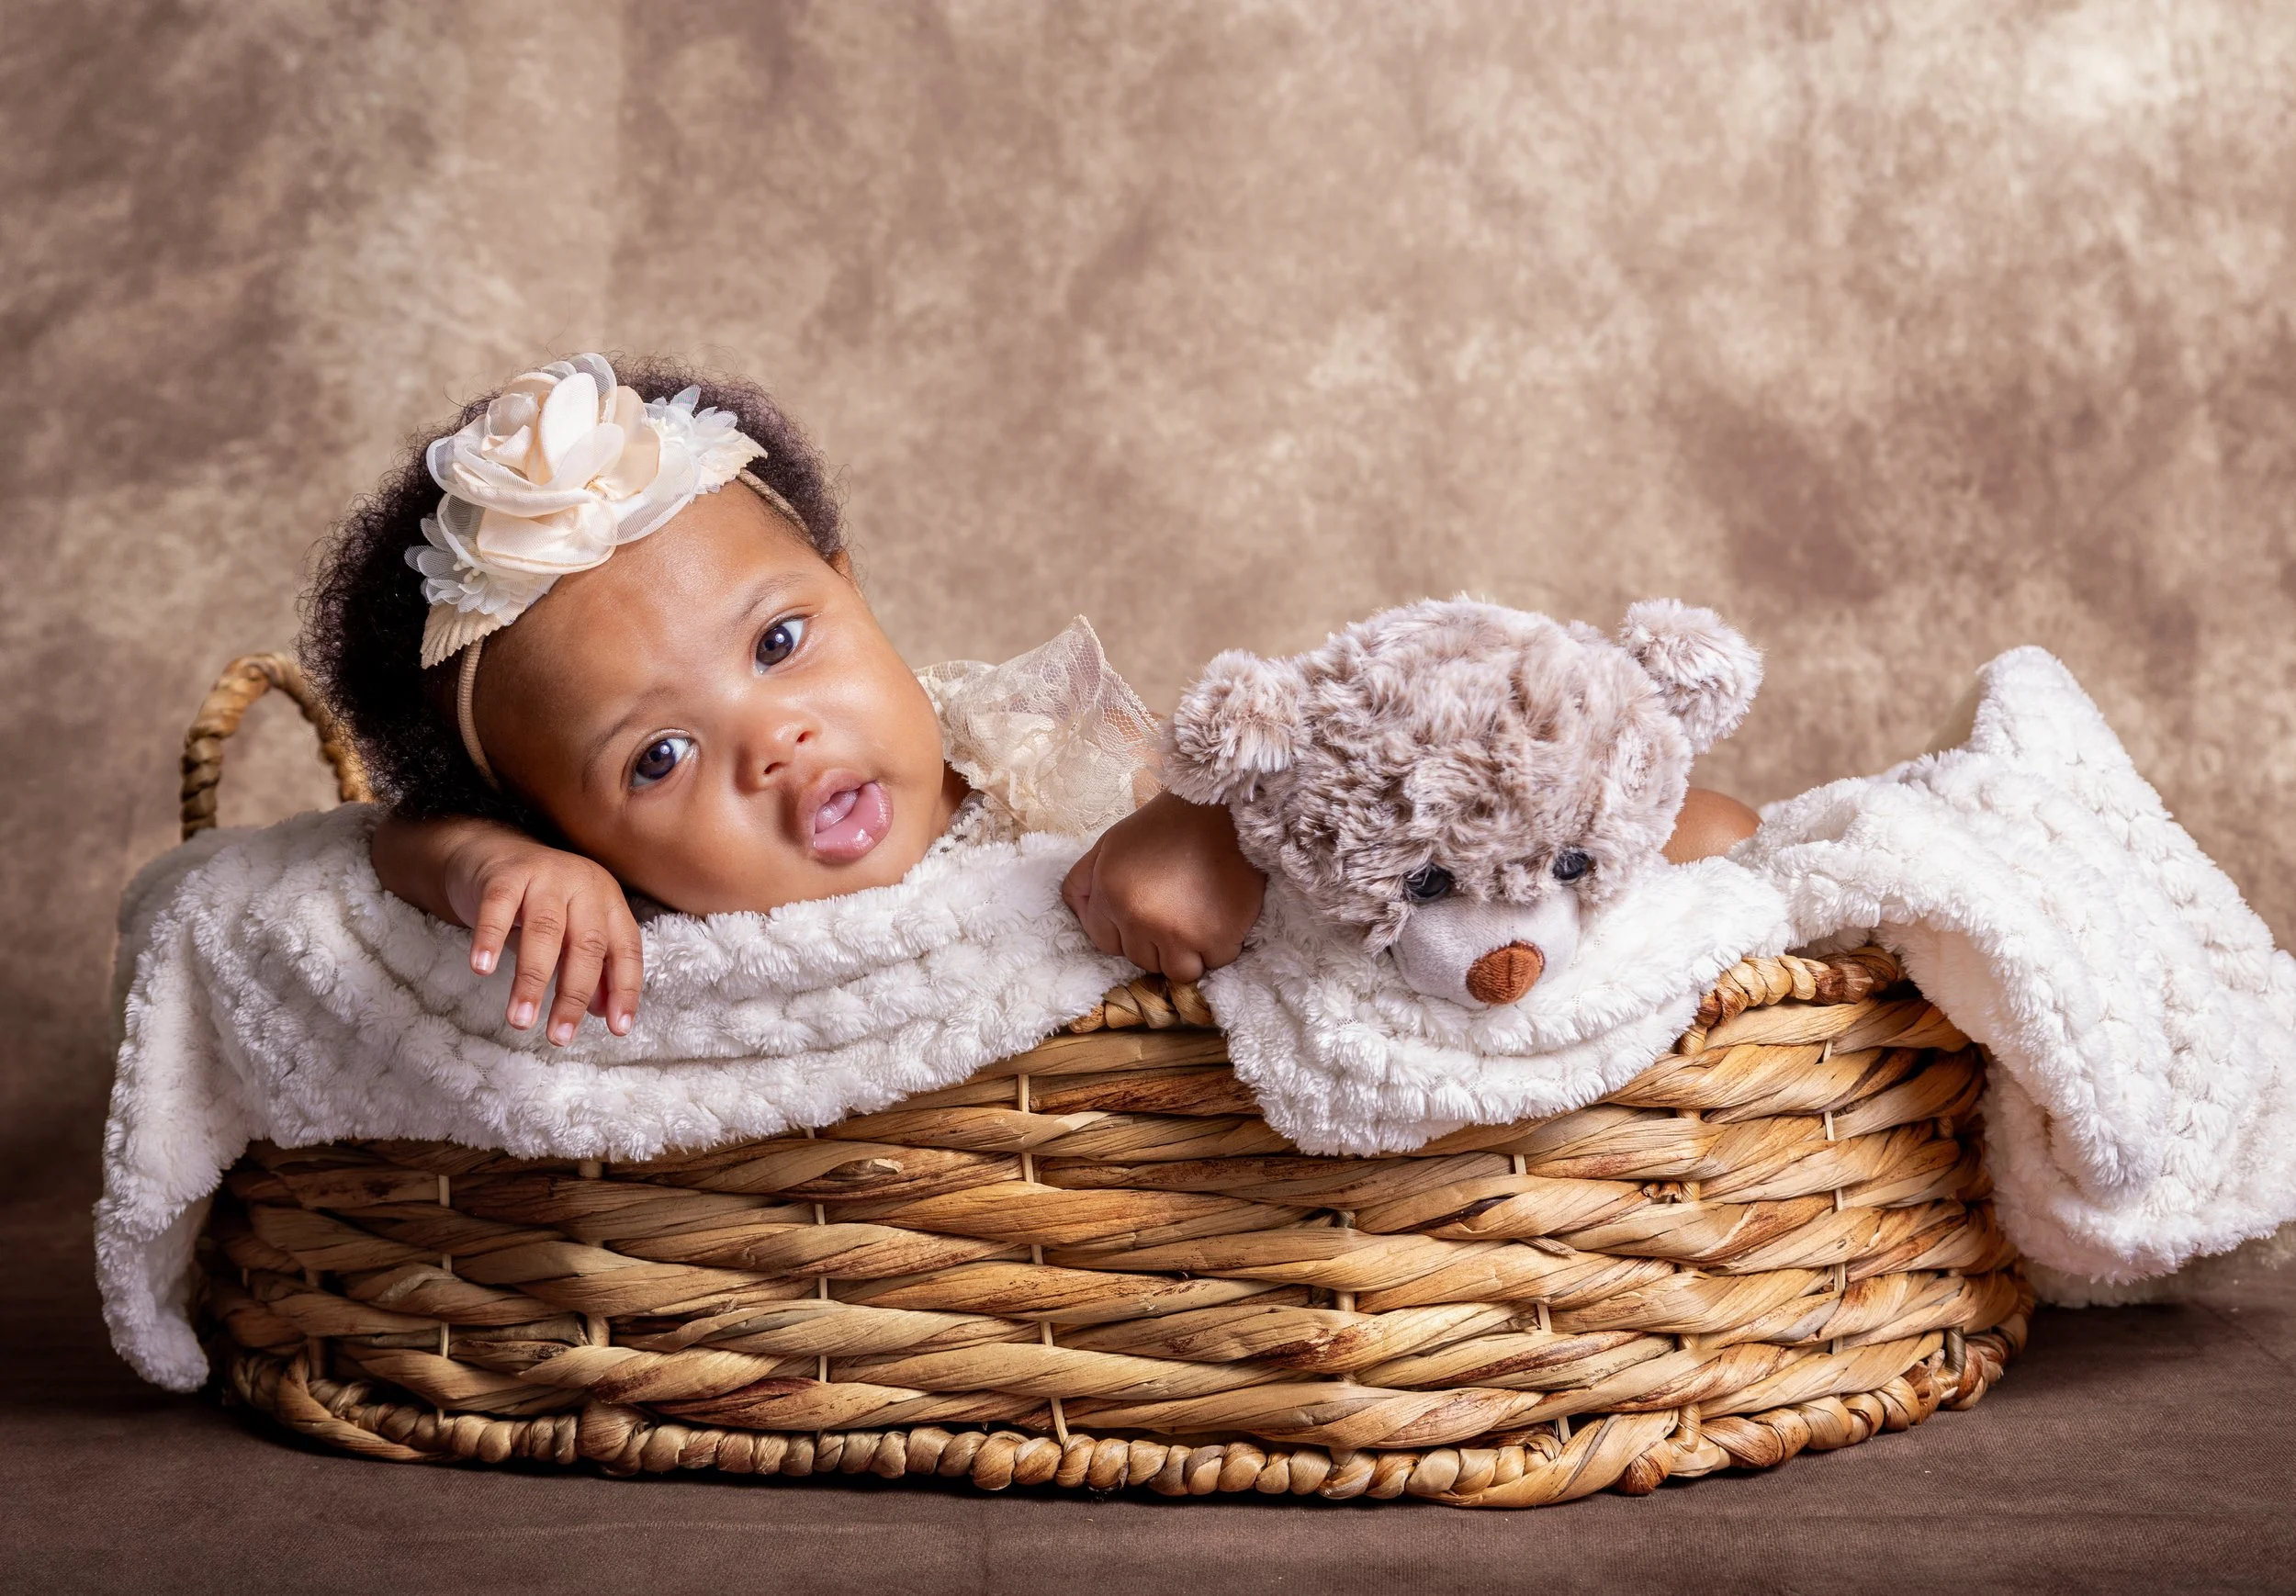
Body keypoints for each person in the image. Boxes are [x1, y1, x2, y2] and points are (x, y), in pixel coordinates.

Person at [303, 353, 1752, 1051]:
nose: (774, 739)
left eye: (784, 638)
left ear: (855, 586)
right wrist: (490, 860)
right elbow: (361, 859)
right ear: (573, 827)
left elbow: (1311, 850)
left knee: (1659, 831)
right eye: (661, 754)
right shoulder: (655, 927)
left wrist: (1205, 825)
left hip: (1449, 888)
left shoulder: (1032, 753)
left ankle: (1680, 838)